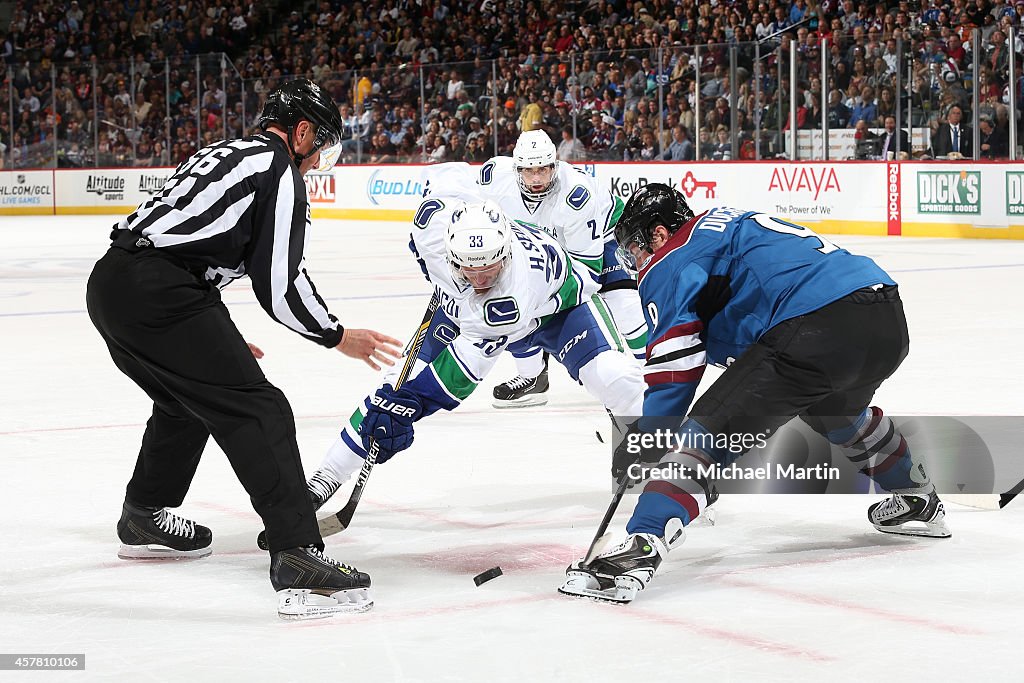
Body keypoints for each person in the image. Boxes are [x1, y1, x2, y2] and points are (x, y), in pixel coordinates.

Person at [85, 79, 402, 620]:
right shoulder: (278, 170)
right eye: (320, 148)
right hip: (162, 295)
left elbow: (185, 240)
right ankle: (297, 552)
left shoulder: (228, 151)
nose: (317, 163)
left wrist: (211, 329)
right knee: (261, 409)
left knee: (185, 401)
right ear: (301, 133)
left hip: (114, 284)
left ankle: (143, 515)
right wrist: (336, 335)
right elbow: (278, 284)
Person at [559, 183, 951, 605]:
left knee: (706, 435)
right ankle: (918, 497)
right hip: (883, 315)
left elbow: (675, 365)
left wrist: (653, 436)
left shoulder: (672, 254)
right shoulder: (724, 222)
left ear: (657, 233)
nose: (637, 262)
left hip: (816, 323)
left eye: (635, 247)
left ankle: (640, 549)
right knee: (839, 416)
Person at [281, 163, 645, 521]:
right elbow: (450, 176)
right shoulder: (432, 225)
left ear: (505, 253)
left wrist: (408, 405)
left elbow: (454, 377)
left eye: (489, 266)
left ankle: (678, 475)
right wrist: (398, 398)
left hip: (557, 307)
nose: (480, 277)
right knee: (390, 387)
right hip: (462, 312)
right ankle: (325, 478)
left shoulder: (507, 299)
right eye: (468, 267)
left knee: (615, 377)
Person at [481, 130, 648, 409]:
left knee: (624, 307)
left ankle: (655, 378)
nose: (536, 179)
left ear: (554, 166)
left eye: (544, 170)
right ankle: (532, 378)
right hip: (546, 245)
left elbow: (587, 274)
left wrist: (549, 302)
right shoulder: (494, 179)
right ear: (516, 169)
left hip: (605, 237)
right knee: (509, 303)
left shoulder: (575, 196)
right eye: (529, 171)